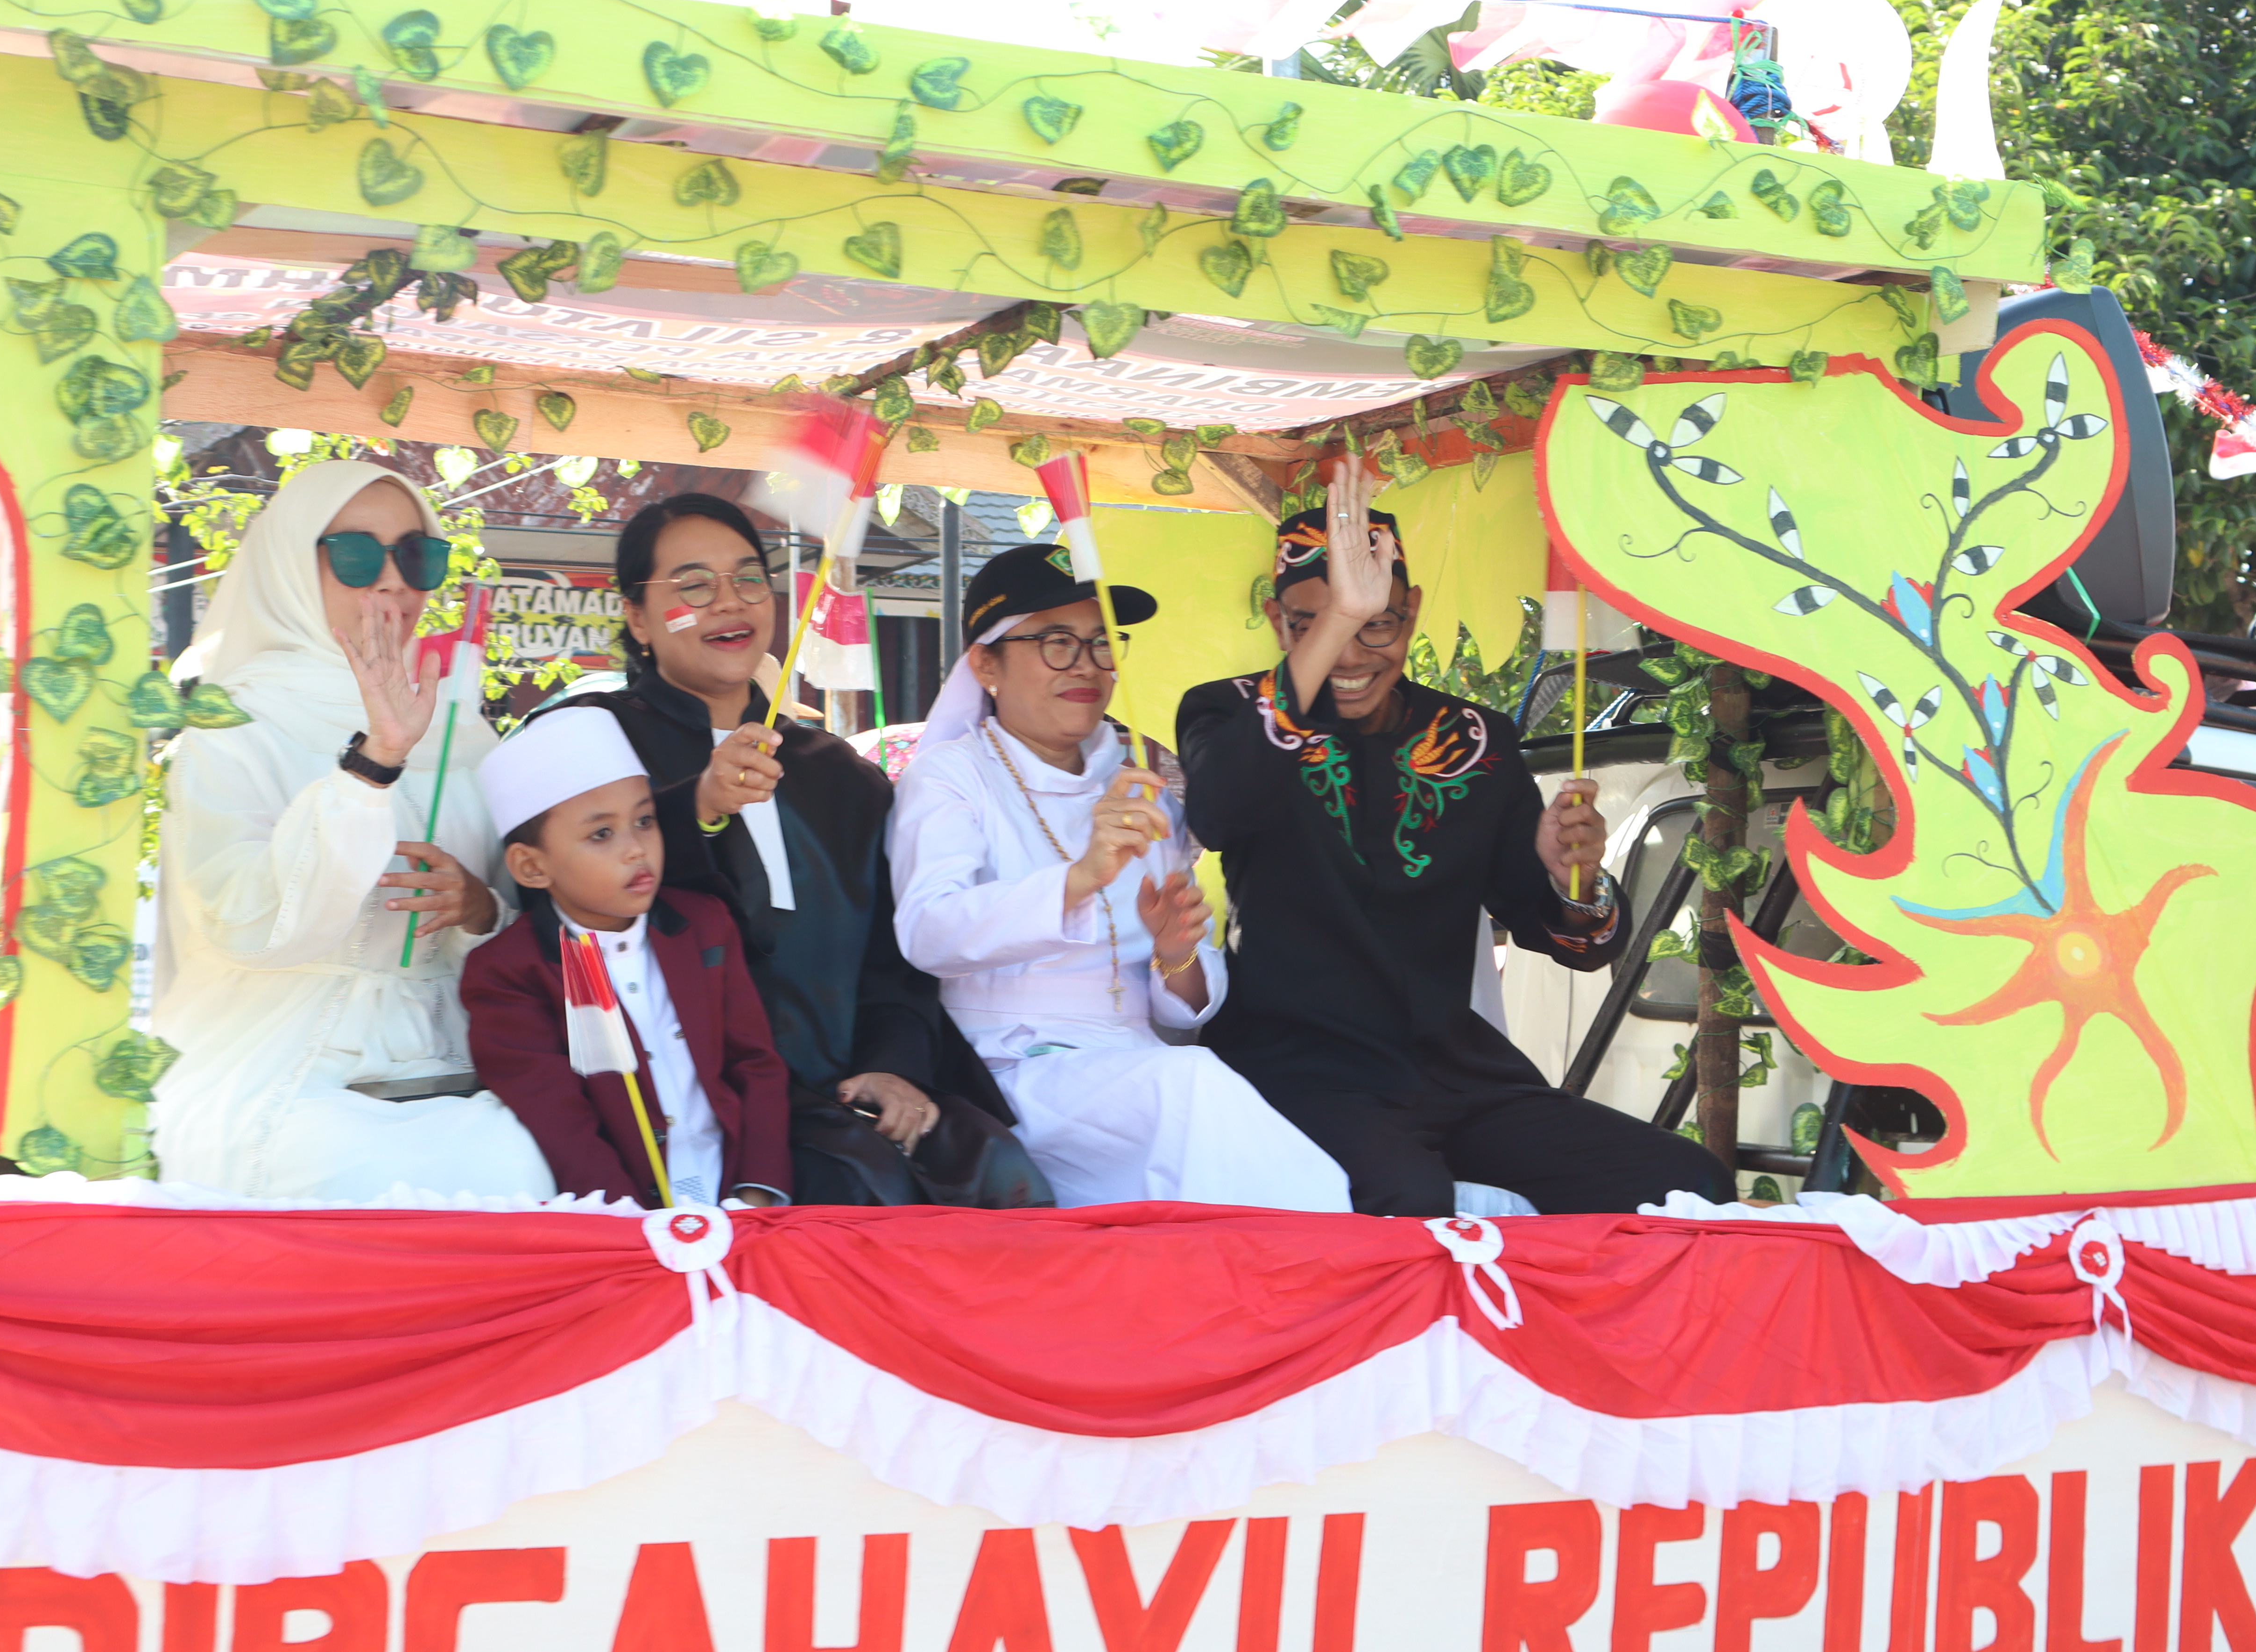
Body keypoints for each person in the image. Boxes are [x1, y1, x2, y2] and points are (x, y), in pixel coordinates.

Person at [1176, 456, 1734, 1217]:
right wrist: (1344, 614)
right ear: (1280, 624)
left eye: (1376, 623)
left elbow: (1573, 940)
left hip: (1456, 1072)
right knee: (1407, 1201)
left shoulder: (1475, 737)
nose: (1351, 655)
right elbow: (1217, 810)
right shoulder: (1229, 711)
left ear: (1412, 613)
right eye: (1319, 624)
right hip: (1298, 1070)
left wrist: (1574, 881)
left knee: (1686, 1187)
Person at [568, 494, 1050, 1209]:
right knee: (858, 1191)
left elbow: (895, 959)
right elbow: (562, 898)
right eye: (694, 585)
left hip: (847, 1085)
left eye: (748, 578)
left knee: (999, 1174)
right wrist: (697, 808)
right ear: (637, 617)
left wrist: (893, 1068)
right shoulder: (588, 743)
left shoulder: (838, 773)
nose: (730, 602)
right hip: (683, 1092)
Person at [888, 544, 1353, 1212]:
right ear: (986, 664)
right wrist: (1079, 879)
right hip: (1006, 1071)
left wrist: (1176, 954)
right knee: (1192, 1093)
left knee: (1205, 1104)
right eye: (1056, 643)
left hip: (1133, 1063)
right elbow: (928, 932)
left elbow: (1183, 1006)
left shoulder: (1140, 786)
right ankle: (1332, 1256)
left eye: (1102, 643)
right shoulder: (951, 776)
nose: (1086, 665)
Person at [151, 461, 554, 1202]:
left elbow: (525, 915)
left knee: (524, 1165)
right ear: (291, 564)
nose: (394, 581)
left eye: (417, 556)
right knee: (354, 1171)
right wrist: (372, 767)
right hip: (284, 1064)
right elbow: (246, 921)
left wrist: (477, 910)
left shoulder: (461, 730)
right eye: (359, 556)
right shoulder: (234, 726)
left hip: (459, 1069)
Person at [458, 707, 791, 1206]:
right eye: (602, 834)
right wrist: (629, 1225)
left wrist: (758, 1193)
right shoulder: (509, 973)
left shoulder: (705, 925)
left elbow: (756, 1065)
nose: (637, 849)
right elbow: (560, 1124)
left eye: (645, 821)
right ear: (531, 867)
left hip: (738, 1200)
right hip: (620, 1218)